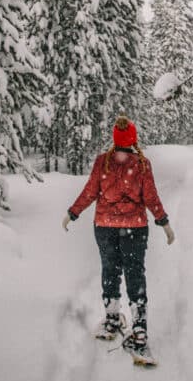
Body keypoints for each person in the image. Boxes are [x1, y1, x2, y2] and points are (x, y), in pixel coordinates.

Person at [62, 115, 175, 359]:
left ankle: (112, 319)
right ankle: (139, 329)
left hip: (104, 227)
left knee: (110, 269)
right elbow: (151, 198)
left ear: (115, 139)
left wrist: (73, 212)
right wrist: (164, 222)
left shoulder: (103, 162)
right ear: (133, 139)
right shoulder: (142, 164)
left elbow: (90, 191)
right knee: (135, 273)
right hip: (134, 228)